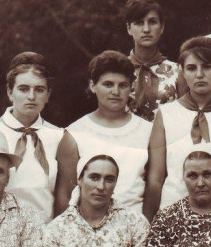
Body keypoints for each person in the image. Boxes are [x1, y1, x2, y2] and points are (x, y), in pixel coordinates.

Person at [144, 37, 211, 219]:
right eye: (191, 68)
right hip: (174, 216)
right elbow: (155, 179)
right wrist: (149, 224)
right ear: (182, 71)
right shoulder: (167, 114)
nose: (199, 74)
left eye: (207, 67)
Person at [0, 52, 64, 221]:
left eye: (39, 90)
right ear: (10, 92)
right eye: (23, 89)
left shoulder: (59, 137)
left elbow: (64, 196)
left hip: (44, 230)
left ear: (48, 95)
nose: (31, 97)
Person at [55, 51, 152, 215]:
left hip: (134, 224)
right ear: (93, 86)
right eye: (108, 84)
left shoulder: (148, 131)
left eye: (123, 85)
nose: (116, 92)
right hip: (86, 225)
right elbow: (65, 194)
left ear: (131, 87)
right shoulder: (74, 134)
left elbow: (153, 187)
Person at [123, 0, 182, 121]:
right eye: (139, 23)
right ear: (129, 28)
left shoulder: (178, 71)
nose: (146, 29)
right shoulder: (118, 70)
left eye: (152, 22)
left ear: (162, 27)